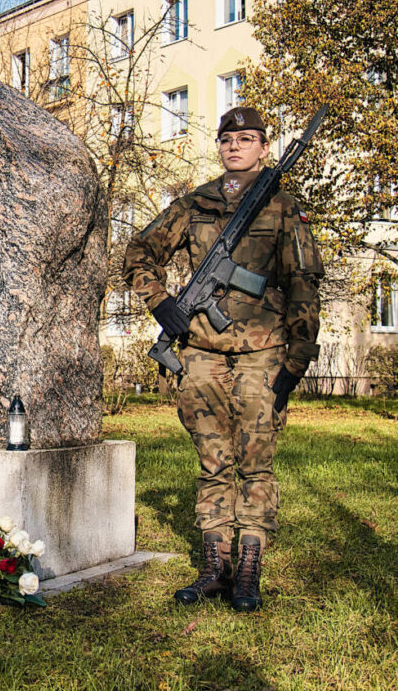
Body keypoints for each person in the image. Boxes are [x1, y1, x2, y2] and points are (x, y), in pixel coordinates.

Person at [123, 107, 324, 612]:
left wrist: (297, 357)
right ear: (219, 145)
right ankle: (215, 565)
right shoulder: (194, 205)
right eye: (228, 138)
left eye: (248, 137)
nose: (236, 145)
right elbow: (139, 251)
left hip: (263, 350)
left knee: (256, 461)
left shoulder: (281, 206)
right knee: (213, 459)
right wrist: (160, 301)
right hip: (202, 352)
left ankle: (249, 566)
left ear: (263, 145)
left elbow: (303, 285)